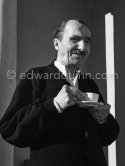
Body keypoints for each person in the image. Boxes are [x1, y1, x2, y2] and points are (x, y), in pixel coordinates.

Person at [0, 19, 119, 166]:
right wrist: (54, 105)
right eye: (75, 39)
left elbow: (108, 137)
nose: (82, 47)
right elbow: (10, 130)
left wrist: (103, 119)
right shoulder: (35, 77)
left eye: (87, 41)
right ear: (57, 44)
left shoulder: (88, 82)